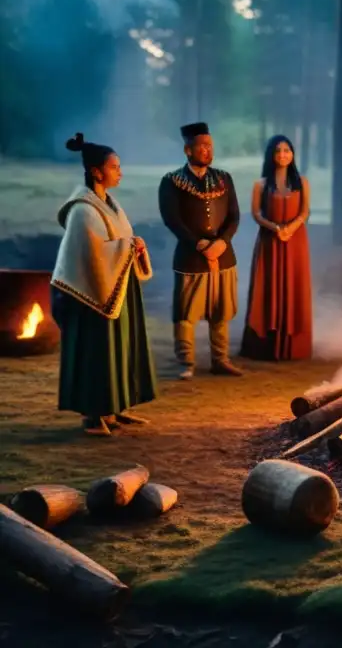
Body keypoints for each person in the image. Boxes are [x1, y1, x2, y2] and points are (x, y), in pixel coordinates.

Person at [51, 133, 158, 436]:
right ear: (96, 171)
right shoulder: (83, 210)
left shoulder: (110, 203)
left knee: (119, 350)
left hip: (116, 288)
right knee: (98, 352)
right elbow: (92, 253)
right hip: (91, 295)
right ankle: (93, 414)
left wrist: (133, 246)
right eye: (114, 167)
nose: (119, 172)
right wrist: (127, 246)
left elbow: (118, 240)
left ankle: (114, 408)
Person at [158, 122, 243, 380]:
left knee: (221, 311)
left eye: (210, 145)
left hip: (223, 256)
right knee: (186, 313)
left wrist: (222, 242)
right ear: (188, 149)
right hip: (190, 257)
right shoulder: (172, 182)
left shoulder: (224, 179)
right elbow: (172, 219)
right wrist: (199, 244)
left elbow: (234, 216)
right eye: (202, 146)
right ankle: (186, 362)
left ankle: (221, 360)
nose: (207, 150)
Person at [240, 135, 312, 361]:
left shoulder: (302, 181)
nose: (283, 155)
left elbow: (305, 211)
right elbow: (256, 213)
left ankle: (293, 345)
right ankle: (265, 346)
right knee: (268, 287)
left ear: (292, 154)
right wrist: (275, 228)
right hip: (270, 243)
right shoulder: (260, 185)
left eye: (287, 150)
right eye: (278, 151)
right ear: (271, 155)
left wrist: (290, 228)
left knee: (293, 285)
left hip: (295, 242)